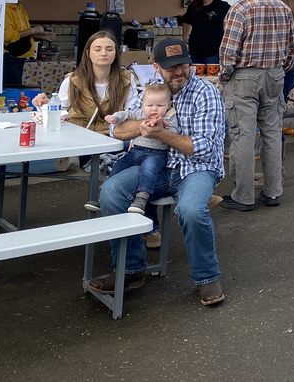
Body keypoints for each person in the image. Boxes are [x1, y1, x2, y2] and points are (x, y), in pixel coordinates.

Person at [88, 37, 227, 306]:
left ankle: (207, 277)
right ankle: (130, 271)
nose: (178, 72)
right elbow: (117, 129)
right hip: (155, 166)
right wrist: (142, 127)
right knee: (111, 192)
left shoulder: (206, 92)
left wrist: (161, 133)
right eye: (170, 67)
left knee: (191, 210)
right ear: (156, 67)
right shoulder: (151, 91)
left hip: (196, 167)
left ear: (190, 63)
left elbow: (204, 148)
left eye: (183, 65)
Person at [218, 0, 294, 211]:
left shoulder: (240, 8)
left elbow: (228, 51)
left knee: (243, 135)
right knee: (272, 133)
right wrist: (280, 68)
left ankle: (243, 195)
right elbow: (292, 48)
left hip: (245, 77)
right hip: (274, 75)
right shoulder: (283, 7)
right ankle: (273, 192)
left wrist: (225, 74)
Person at [91, 83, 175, 215]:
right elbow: (126, 114)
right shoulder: (140, 113)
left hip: (156, 154)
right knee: (119, 165)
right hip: (135, 150)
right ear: (143, 105)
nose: (154, 109)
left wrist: (163, 128)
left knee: (148, 171)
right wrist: (114, 117)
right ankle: (103, 196)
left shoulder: (169, 117)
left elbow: (174, 134)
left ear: (168, 105)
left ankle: (142, 197)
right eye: (149, 105)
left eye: (160, 105)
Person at [34, 30, 138, 135]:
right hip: (76, 138)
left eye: (109, 49)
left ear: (116, 53)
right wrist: (45, 104)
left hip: (110, 139)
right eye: (97, 49)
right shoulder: (72, 81)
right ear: (88, 54)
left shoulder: (127, 79)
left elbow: (133, 114)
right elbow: (59, 113)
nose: (103, 53)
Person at [3, 0, 54, 87]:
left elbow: (22, 32)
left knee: (16, 85)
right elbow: (8, 36)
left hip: (20, 55)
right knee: (12, 88)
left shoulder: (20, 9)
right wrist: (33, 30)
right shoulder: (5, 10)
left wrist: (38, 35)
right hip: (9, 55)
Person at [179, 0, 231, 64]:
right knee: (195, 74)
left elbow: (231, 23)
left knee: (211, 76)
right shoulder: (194, 5)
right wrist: (185, 37)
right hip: (195, 49)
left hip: (213, 50)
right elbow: (186, 21)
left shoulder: (222, 6)